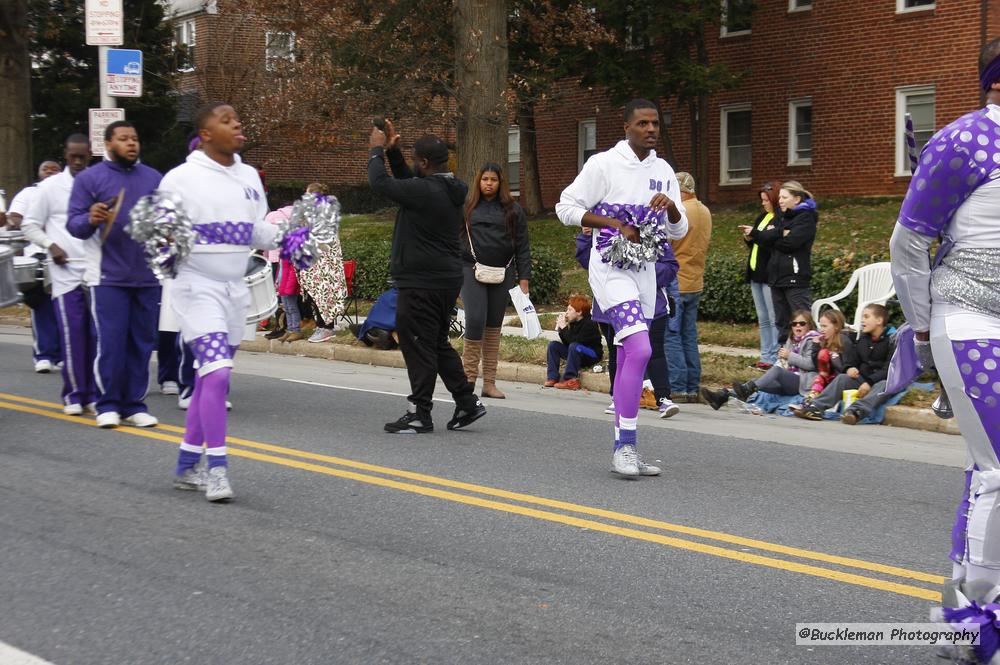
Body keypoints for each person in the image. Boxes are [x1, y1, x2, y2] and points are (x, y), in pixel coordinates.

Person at [890, 40, 1000, 653]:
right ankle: (983, 620)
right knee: (999, 467)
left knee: (985, 462)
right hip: (971, 317)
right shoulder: (965, 141)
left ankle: (960, 605)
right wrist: (925, 327)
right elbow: (908, 243)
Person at [158, 102, 291, 502]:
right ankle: (216, 468)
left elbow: (257, 231)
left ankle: (185, 465)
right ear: (205, 133)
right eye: (226, 119)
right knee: (216, 373)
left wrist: (290, 239)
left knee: (210, 377)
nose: (237, 123)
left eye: (238, 117)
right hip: (196, 286)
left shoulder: (249, 175)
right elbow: (161, 236)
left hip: (235, 287)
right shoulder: (179, 179)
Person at [556, 98, 688, 477]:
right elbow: (565, 207)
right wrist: (612, 223)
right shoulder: (603, 164)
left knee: (636, 356)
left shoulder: (664, 170)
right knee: (641, 346)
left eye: (656, 124)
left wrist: (672, 208)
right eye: (643, 123)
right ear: (627, 126)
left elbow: (678, 231)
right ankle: (625, 449)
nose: (651, 129)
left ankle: (625, 446)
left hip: (645, 272)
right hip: (610, 270)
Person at [368, 119, 486, 434]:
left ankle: (420, 411)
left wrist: (376, 149)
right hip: (445, 279)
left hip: (422, 282)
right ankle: (466, 402)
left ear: (423, 162)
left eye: (414, 160)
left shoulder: (426, 190)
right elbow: (409, 183)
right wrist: (394, 154)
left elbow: (381, 184)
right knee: (434, 342)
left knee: (417, 343)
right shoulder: (448, 188)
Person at [67, 120, 163, 429]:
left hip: (147, 276)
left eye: (134, 139)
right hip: (108, 277)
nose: (131, 143)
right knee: (111, 342)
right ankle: (106, 403)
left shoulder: (153, 178)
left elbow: (166, 221)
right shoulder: (90, 179)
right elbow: (75, 225)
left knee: (142, 343)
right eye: (123, 139)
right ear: (109, 144)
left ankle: (134, 404)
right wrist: (90, 218)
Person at [21, 135, 98, 415]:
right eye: (73, 156)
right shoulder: (50, 188)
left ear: (90, 155)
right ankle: (75, 395)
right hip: (65, 271)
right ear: (65, 155)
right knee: (73, 333)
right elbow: (30, 225)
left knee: (97, 336)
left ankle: (94, 394)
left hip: (95, 269)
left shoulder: (97, 183)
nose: (78, 162)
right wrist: (50, 245)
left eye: (83, 156)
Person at [460, 162, 531, 399]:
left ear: (500, 183)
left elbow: (523, 246)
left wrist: (524, 278)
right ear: (478, 182)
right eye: (485, 179)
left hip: (503, 273)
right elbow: (454, 239)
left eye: (493, 179)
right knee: (475, 319)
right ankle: (468, 379)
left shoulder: (513, 210)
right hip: (472, 271)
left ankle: (489, 383)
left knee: (493, 325)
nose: (489, 183)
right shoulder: (468, 207)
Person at [7, 160, 64, 373]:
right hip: (38, 255)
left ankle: (61, 356)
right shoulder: (29, 193)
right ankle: (44, 354)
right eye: (45, 168)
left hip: (67, 257)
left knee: (66, 306)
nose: (50, 171)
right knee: (42, 306)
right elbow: (15, 218)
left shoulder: (69, 191)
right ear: (38, 174)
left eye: (55, 168)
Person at [701, 309, 820, 410]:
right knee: (758, 382)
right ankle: (722, 396)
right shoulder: (791, 341)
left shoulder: (812, 340)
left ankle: (745, 390)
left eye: (802, 323)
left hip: (803, 382)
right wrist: (783, 360)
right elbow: (783, 364)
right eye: (794, 324)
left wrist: (789, 356)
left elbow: (810, 364)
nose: (797, 326)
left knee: (775, 372)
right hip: (789, 381)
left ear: (809, 325)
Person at [794, 305, 894, 421]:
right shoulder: (863, 338)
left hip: (881, 380)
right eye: (862, 317)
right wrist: (849, 368)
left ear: (879, 320)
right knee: (842, 378)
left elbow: (890, 369)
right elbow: (853, 360)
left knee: (884, 385)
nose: (862, 321)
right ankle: (815, 407)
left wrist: (869, 382)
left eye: (866, 317)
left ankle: (855, 411)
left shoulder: (892, 340)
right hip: (862, 379)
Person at [665, 171, 711, 402]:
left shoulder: (680, 211)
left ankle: (678, 386)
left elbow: (669, 243)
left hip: (676, 281)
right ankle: (692, 386)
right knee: (688, 335)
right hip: (695, 281)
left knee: (671, 334)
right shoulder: (704, 210)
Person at [753, 181, 817, 343]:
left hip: (795, 278)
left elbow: (790, 244)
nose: (780, 200)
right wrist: (781, 233)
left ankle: (806, 358)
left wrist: (774, 235)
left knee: (801, 321)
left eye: (784, 197)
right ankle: (784, 359)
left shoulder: (806, 218)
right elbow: (764, 240)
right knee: (781, 322)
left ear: (796, 199)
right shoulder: (781, 217)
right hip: (776, 277)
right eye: (779, 197)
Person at [738, 181, 782, 370]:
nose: (763, 203)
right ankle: (765, 355)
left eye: (766, 200)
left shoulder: (780, 220)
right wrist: (749, 237)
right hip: (756, 272)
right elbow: (757, 242)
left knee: (773, 317)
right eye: (762, 200)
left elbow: (770, 241)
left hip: (769, 274)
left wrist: (755, 234)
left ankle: (774, 356)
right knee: (762, 317)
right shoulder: (762, 217)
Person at [544, 295, 602, 390]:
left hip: (592, 354)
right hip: (577, 352)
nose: (567, 313)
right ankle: (552, 377)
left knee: (574, 346)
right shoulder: (575, 322)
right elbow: (568, 343)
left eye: (570, 310)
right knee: (553, 345)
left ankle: (570, 379)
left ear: (579, 312)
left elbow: (575, 342)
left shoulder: (590, 324)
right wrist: (561, 330)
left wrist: (564, 328)